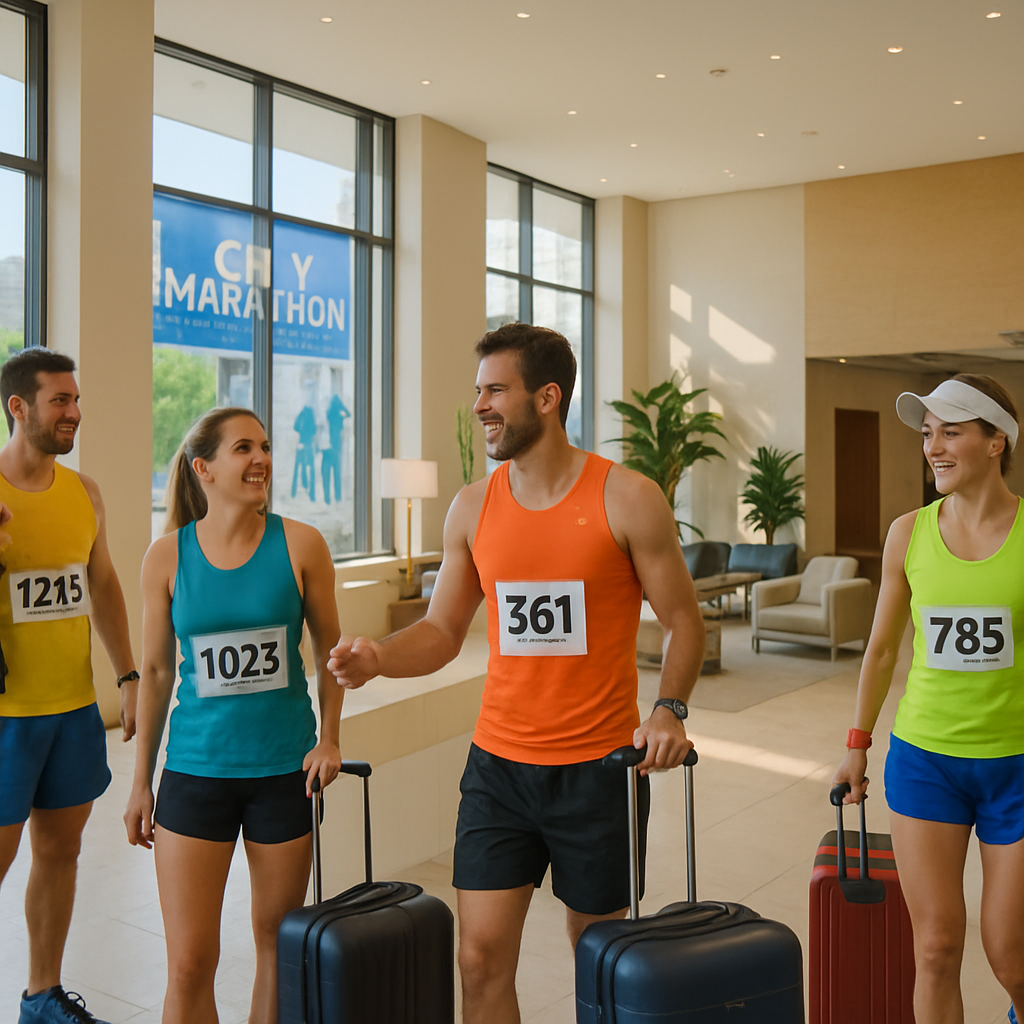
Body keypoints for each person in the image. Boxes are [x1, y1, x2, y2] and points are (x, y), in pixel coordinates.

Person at [328, 322, 706, 1024]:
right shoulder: (473, 507)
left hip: (598, 771)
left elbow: (686, 620)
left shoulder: (625, 498)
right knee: (477, 958)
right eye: (478, 391)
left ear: (548, 398)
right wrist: (380, 657)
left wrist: (668, 709)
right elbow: (442, 632)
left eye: (496, 390)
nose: (479, 406)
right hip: (499, 768)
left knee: (596, 954)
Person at [123, 407, 343, 1024]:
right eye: (244, 448)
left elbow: (330, 653)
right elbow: (158, 672)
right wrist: (141, 782)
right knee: (190, 963)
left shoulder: (302, 545)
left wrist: (330, 738)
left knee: (277, 947)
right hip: (195, 775)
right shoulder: (165, 558)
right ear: (205, 469)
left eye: (266, 447)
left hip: (283, 774)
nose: (262, 459)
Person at [833, 373, 1024, 1024]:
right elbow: (883, 649)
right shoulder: (907, 533)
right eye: (927, 433)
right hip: (925, 763)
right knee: (936, 947)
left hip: (1017, 767)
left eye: (952, 431)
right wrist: (856, 745)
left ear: (997, 440)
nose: (934, 447)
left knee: (1014, 955)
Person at [0, 347, 138, 1024]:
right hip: (5, 716)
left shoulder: (83, 493)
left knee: (61, 853)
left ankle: (41, 998)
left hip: (73, 712)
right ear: (17, 407)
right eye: (60, 401)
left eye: (76, 400)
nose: (74, 413)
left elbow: (102, 584)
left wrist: (129, 674)